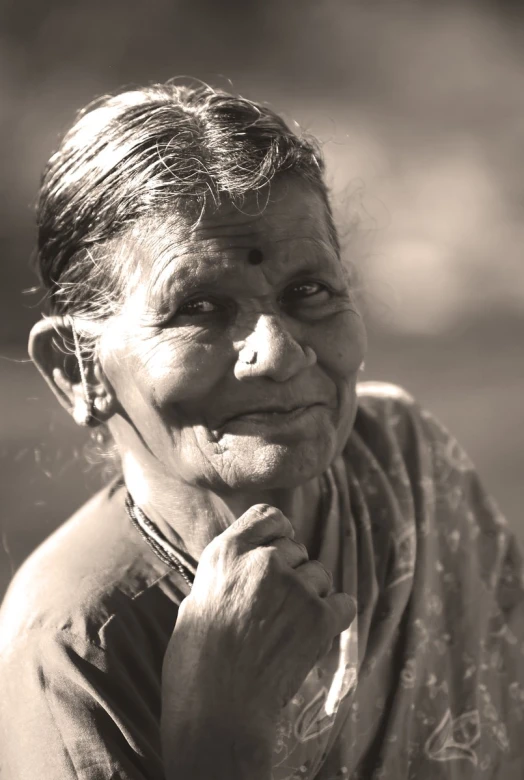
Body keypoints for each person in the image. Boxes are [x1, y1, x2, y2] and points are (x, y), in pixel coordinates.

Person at [0, 81, 523, 780]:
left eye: (309, 292)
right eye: (202, 307)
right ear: (76, 372)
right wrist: (217, 743)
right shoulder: (75, 647)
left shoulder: (404, 462)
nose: (276, 352)